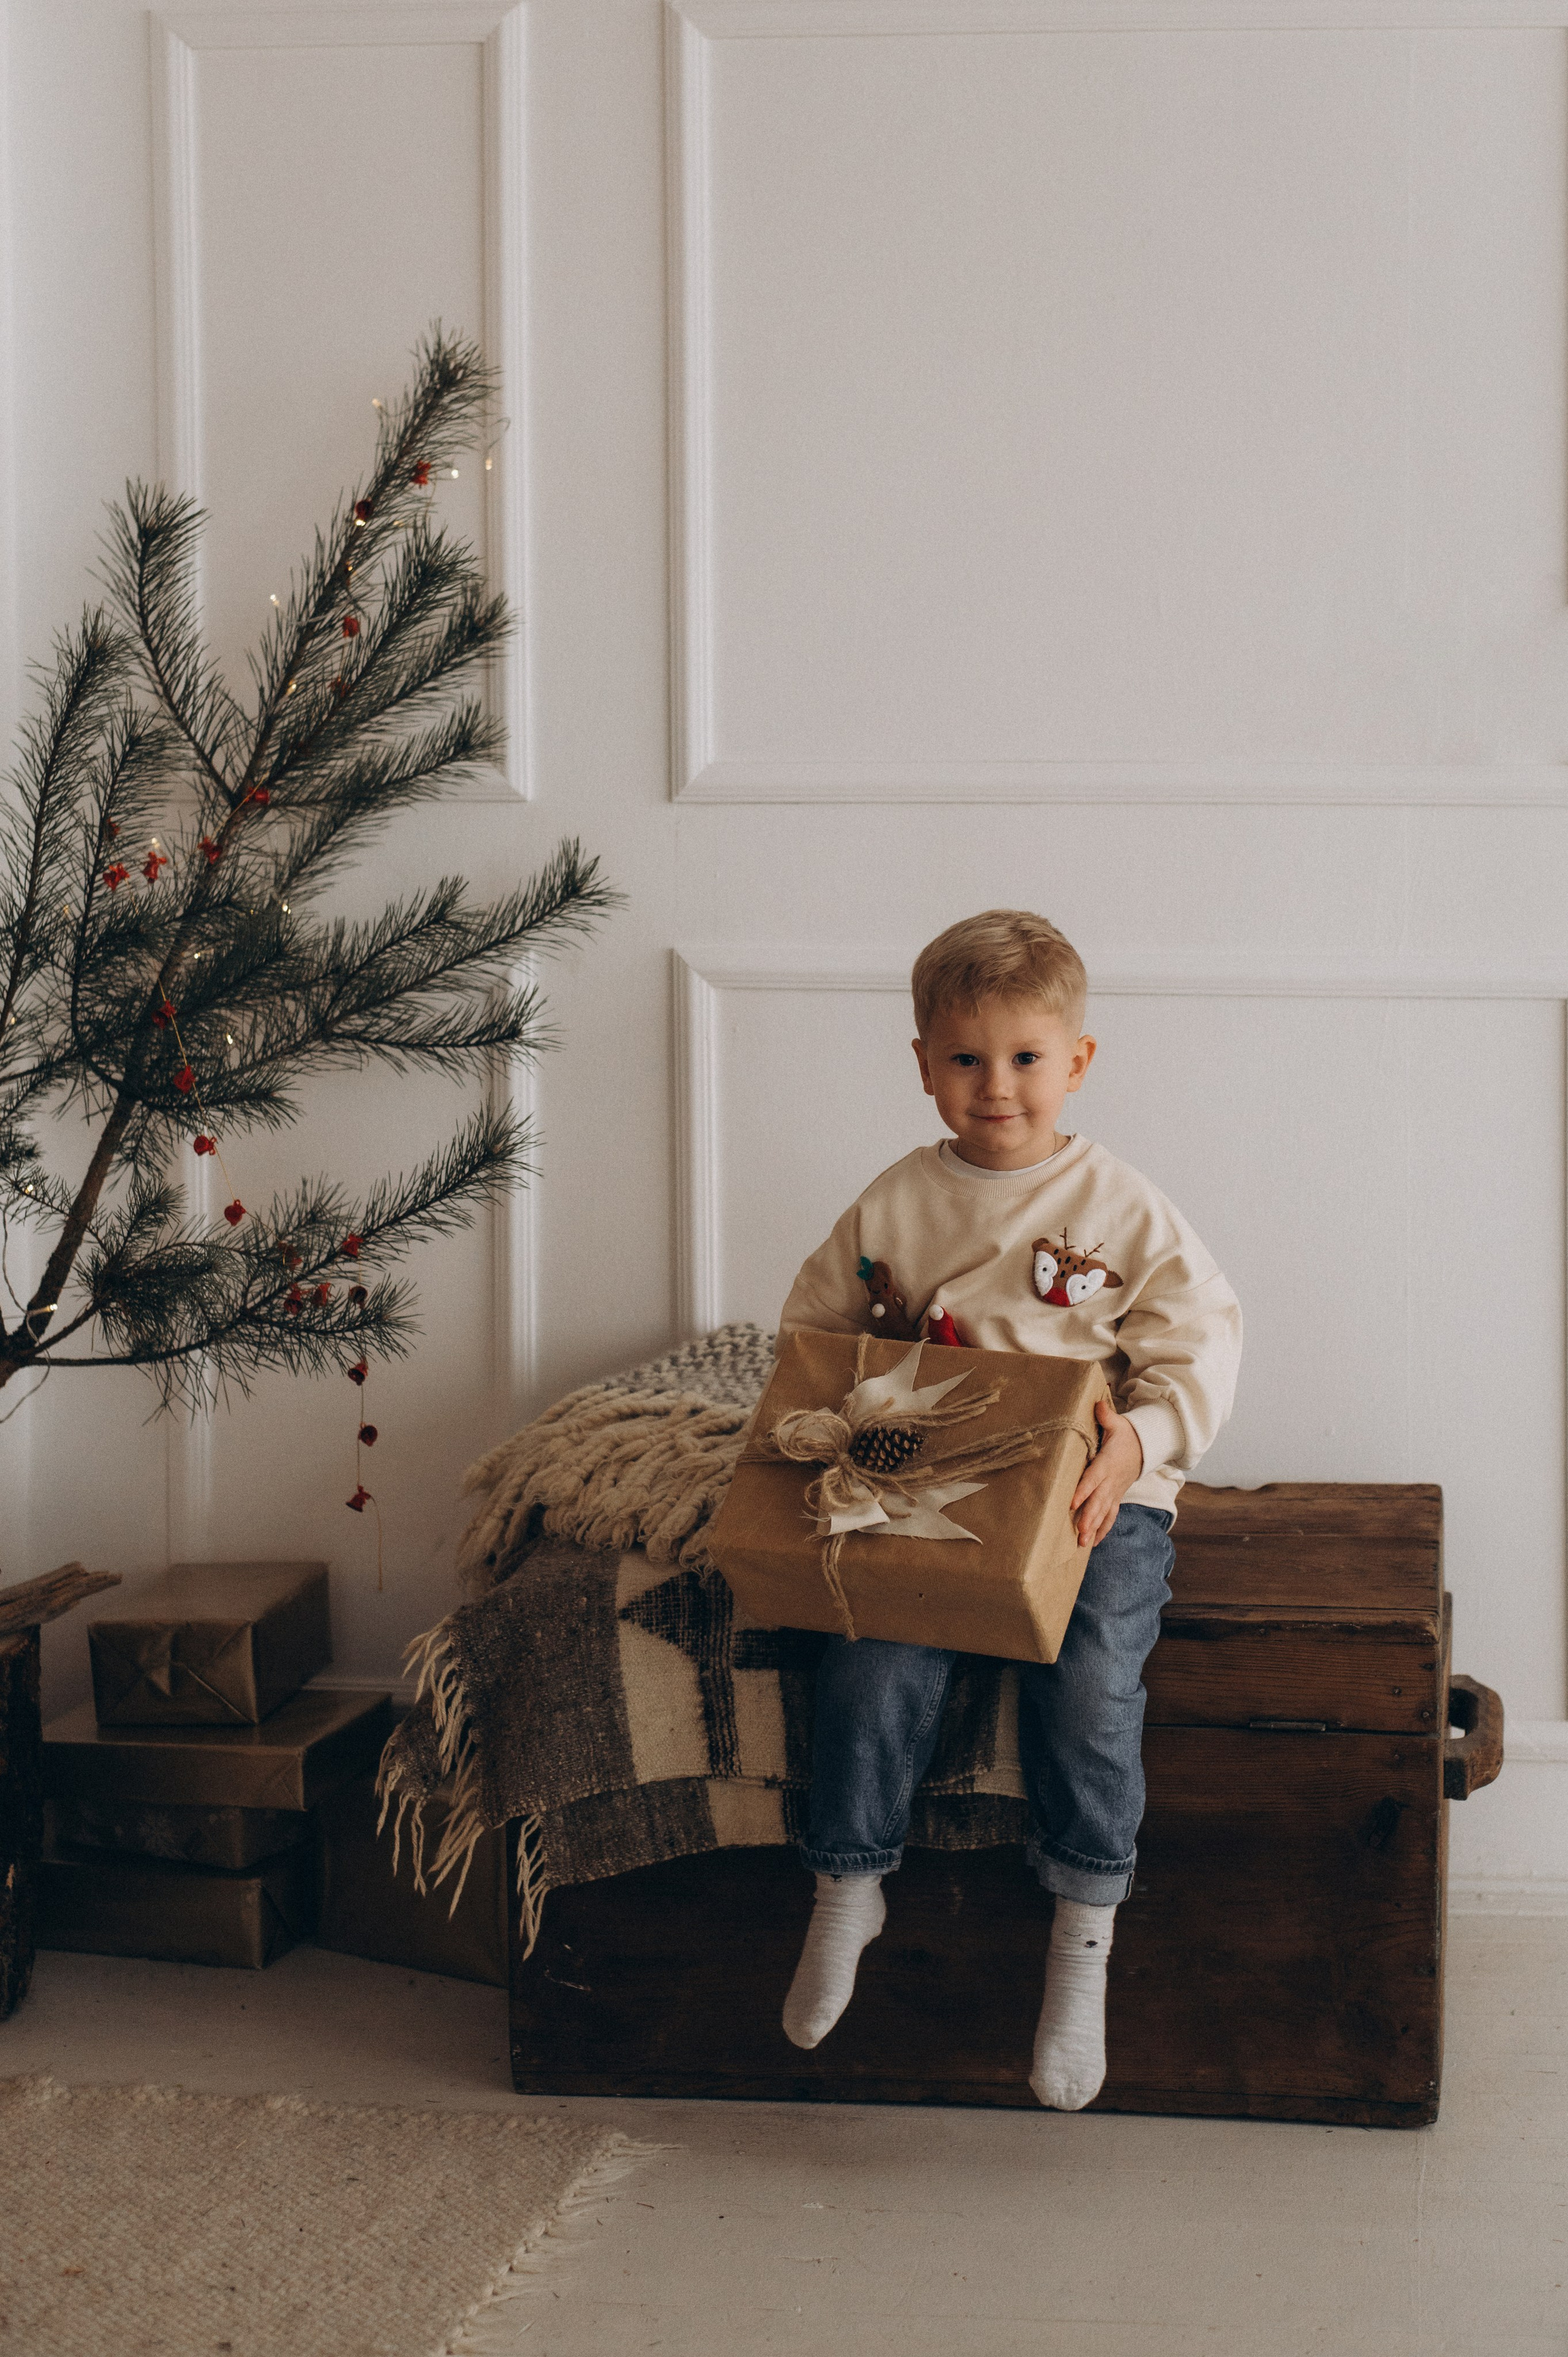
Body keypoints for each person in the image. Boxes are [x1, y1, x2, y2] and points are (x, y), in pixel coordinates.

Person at [775, 908, 1242, 2109]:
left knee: (1091, 1679)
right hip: (932, 1480)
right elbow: (815, 1331)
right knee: (871, 1657)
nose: (996, 1086)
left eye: (1026, 1058)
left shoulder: (1119, 1204)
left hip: (1092, 1490)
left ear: (1075, 1061)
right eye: (966, 1059)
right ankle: (847, 1887)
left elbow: (1198, 1345)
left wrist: (1137, 1442)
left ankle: (1081, 1937)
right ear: (923, 1064)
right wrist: (856, 1398)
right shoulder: (894, 1204)